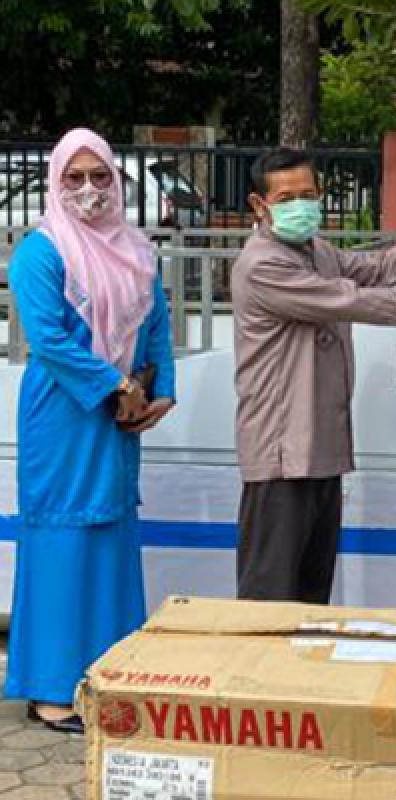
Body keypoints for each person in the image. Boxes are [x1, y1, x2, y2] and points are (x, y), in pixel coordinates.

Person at [232, 148, 396, 605]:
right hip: (281, 453)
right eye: (286, 197)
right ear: (259, 205)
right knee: (267, 600)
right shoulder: (263, 265)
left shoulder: (318, 252)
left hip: (321, 451)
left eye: (308, 194)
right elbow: (354, 300)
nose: (300, 205)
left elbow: (382, 270)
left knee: (310, 598)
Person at [4, 128, 176, 733]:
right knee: (61, 541)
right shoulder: (41, 252)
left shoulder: (137, 248)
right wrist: (114, 386)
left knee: (110, 537)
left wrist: (163, 393)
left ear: (116, 179)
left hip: (120, 414)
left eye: (99, 176)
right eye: (73, 178)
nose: (87, 190)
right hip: (64, 412)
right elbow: (48, 341)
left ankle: (108, 676)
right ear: (55, 182)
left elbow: (156, 322)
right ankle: (50, 691)